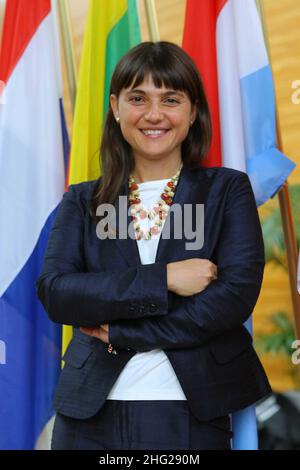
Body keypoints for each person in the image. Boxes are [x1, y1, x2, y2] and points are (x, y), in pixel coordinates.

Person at [35, 41, 272, 450]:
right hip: (88, 415)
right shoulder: (82, 200)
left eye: (171, 99)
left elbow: (232, 299)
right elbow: (59, 293)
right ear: (116, 107)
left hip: (190, 410)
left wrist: (123, 331)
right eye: (138, 98)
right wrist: (164, 279)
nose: (154, 114)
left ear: (193, 109)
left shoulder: (226, 190)